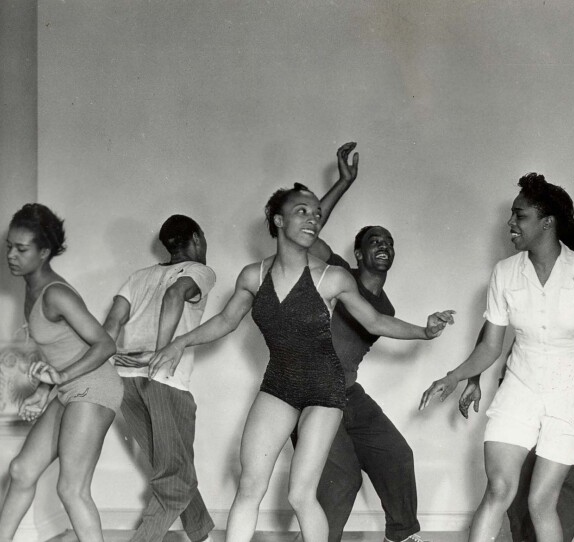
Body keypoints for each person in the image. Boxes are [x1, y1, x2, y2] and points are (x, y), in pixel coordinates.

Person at [148, 165, 455, 542]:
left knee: (300, 494)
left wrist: (425, 332)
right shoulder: (252, 276)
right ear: (277, 220)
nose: (312, 219)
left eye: (316, 214)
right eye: (302, 212)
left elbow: (375, 321)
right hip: (279, 384)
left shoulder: (332, 278)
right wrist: (178, 342)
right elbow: (225, 322)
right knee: (249, 487)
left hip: (325, 389)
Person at [420, 173, 574, 542]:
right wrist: (453, 377)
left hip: (572, 394)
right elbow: (490, 346)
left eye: (520, 216)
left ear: (547, 223)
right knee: (498, 490)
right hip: (520, 389)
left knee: (541, 501)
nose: (510, 224)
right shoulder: (504, 273)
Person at [293, 142, 428, 542]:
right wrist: (343, 183)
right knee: (342, 479)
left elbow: (387, 324)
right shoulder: (335, 271)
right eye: (374, 241)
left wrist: (427, 329)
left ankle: (401, 534)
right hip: (311, 393)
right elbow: (305, 235)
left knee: (396, 454)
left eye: (388, 241)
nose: (383, 245)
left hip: (348, 393)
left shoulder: (384, 304)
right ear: (358, 253)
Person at [456, 223, 574, 542]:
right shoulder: (521, 280)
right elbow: (491, 332)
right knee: (514, 481)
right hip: (524, 389)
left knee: (563, 482)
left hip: (565, 395)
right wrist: (473, 378)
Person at [0, 203, 122, 542]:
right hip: (70, 388)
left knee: (71, 489)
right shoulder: (30, 287)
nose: (11, 255)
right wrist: (41, 390)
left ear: (44, 252)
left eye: (21, 249)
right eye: (9, 246)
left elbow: (105, 345)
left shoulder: (56, 294)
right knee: (21, 470)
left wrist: (61, 380)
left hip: (94, 387)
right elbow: (60, 351)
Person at [101, 215, 216, 542]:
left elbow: (112, 324)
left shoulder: (139, 277)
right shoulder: (199, 271)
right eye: (203, 239)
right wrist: (162, 350)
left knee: (173, 468)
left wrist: (106, 358)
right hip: (165, 380)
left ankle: (201, 535)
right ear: (195, 238)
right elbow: (174, 294)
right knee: (176, 477)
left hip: (126, 382)